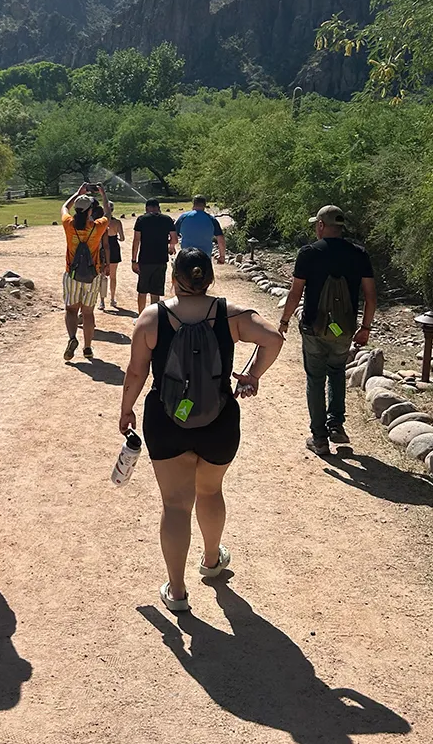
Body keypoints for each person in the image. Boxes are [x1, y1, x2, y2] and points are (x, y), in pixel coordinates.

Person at [120, 248, 283, 611]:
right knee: (210, 491)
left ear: (173, 279)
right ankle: (211, 561)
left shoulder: (151, 318)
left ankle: (177, 592)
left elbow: (136, 372)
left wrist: (126, 409)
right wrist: (252, 375)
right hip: (219, 419)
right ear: (209, 279)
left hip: (166, 420)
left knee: (175, 505)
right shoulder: (231, 315)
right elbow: (273, 339)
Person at [278, 205, 376, 456]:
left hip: (314, 328)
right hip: (344, 329)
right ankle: (336, 425)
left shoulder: (309, 253)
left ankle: (319, 438)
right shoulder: (359, 254)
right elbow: (371, 296)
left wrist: (285, 320)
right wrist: (365, 327)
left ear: (321, 225)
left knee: (315, 378)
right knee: (336, 372)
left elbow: (295, 292)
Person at [61, 183, 110, 360]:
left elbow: (64, 207)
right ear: (90, 211)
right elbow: (108, 213)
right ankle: (87, 347)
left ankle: (73, 338)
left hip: (72, 273)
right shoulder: (97, 227)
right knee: (88, 313)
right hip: (92, 275)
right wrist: (103, 194)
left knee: (71, 310)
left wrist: (77, 192)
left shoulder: (69, 224)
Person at [132, 198, 178, 312]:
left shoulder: (141, 219)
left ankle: (141, 315)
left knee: (142, 291)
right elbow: (175, 240)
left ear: (147, 208)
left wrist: (133, 260)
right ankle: (154, 316)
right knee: (155, 292)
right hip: (161, 259)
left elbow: (136, 240)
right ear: (158, 207)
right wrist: (166, 243)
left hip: (145, 259)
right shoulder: (167, 219)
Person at [175, 195, 226, 265]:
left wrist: (171, 246)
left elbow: (173, 233)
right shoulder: (211, 219)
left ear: (193, 204)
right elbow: (221, 239)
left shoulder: (183, 217)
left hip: (186, 255)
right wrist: (222, 256)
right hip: (205, 256)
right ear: (205, 205)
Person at [102, 201, 126, 309]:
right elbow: (122, 238)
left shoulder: (101, 222)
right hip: (114, 246)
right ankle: (112, 299)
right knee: (113, 276)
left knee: (102, 276)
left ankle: (102, 301)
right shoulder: (117, 222)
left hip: (103, 246)